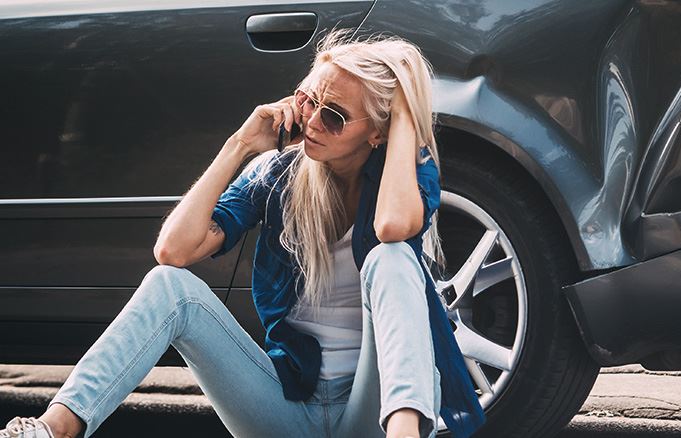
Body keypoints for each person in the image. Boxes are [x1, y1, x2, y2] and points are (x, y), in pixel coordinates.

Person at [0, 30, 485, 438]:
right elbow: (173, 251)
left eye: (334, 116)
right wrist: (239, 146)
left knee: (392, 257)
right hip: (287, 405)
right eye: (308, 100)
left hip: (372, 414)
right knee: (170, 287)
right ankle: (55, 429)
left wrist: (403, 118)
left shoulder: (407, 173)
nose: (313, 122)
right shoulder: (277, 173)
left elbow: (391, 228)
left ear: (376, 132)